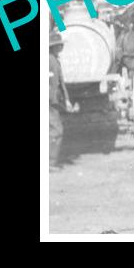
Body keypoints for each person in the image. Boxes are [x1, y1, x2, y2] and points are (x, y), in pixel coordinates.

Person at [49, 30, 73, 167]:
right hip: (50, 102)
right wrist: (56, 103)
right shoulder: (50, 61)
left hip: (52, 101)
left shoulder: (54, 60)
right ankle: (50, 163)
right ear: (53, 47)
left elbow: (61, 83)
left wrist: (67, 100)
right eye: (59, 45)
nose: (61, 47)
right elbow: (52, 84)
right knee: (56, 131)